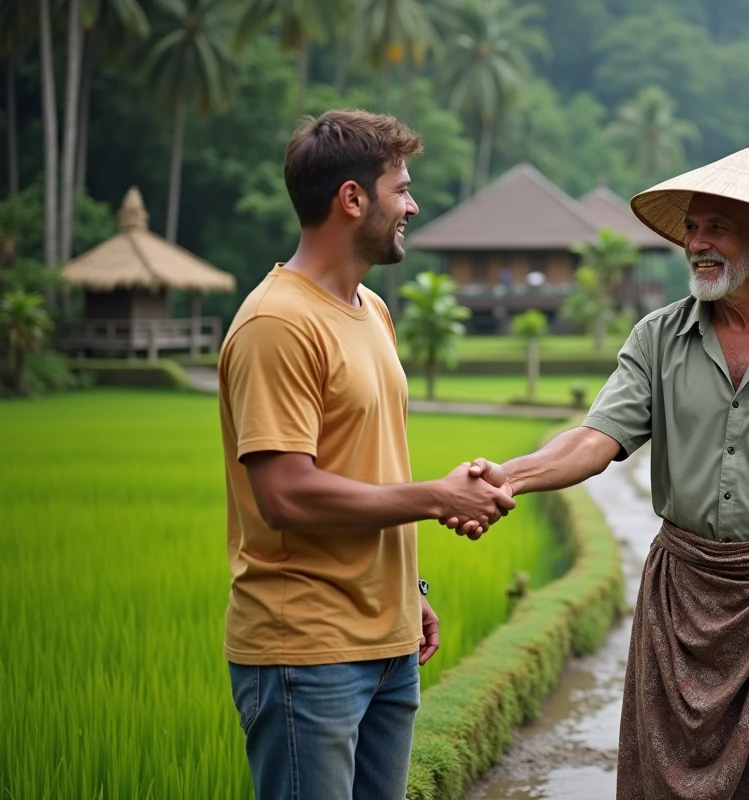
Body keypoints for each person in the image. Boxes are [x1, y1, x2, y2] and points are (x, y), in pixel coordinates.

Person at [451, 143, 749, 799]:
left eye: (716, 227)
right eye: (693, 228)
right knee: (664, 777)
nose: (698, 242)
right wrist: (511, 476)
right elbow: (595, 437)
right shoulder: (657, 338)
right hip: (684, 595)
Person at [217, 109, 515, 800]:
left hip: (387, 643)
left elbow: (364, 463)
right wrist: (442, 496)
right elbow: (286, 494)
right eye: (401, 189)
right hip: (308, 651)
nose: (411, 205)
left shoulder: (371, 310)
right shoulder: (277, 324)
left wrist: (407, 590)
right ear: (352, 199)